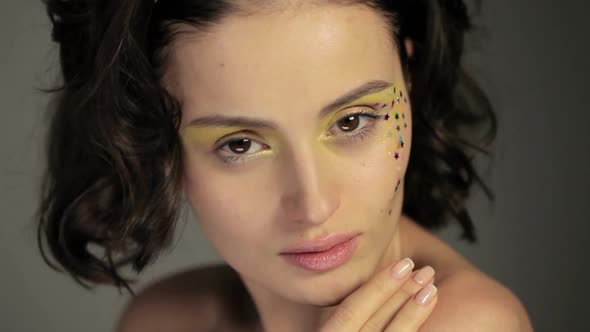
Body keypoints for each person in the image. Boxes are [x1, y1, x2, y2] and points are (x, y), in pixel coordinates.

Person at [36, 0, 533, 331]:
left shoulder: (470, 323)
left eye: (353, 120)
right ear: (154, 143)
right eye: (241, 145)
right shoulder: (163, 321)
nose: (314, 206)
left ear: (409, 80)